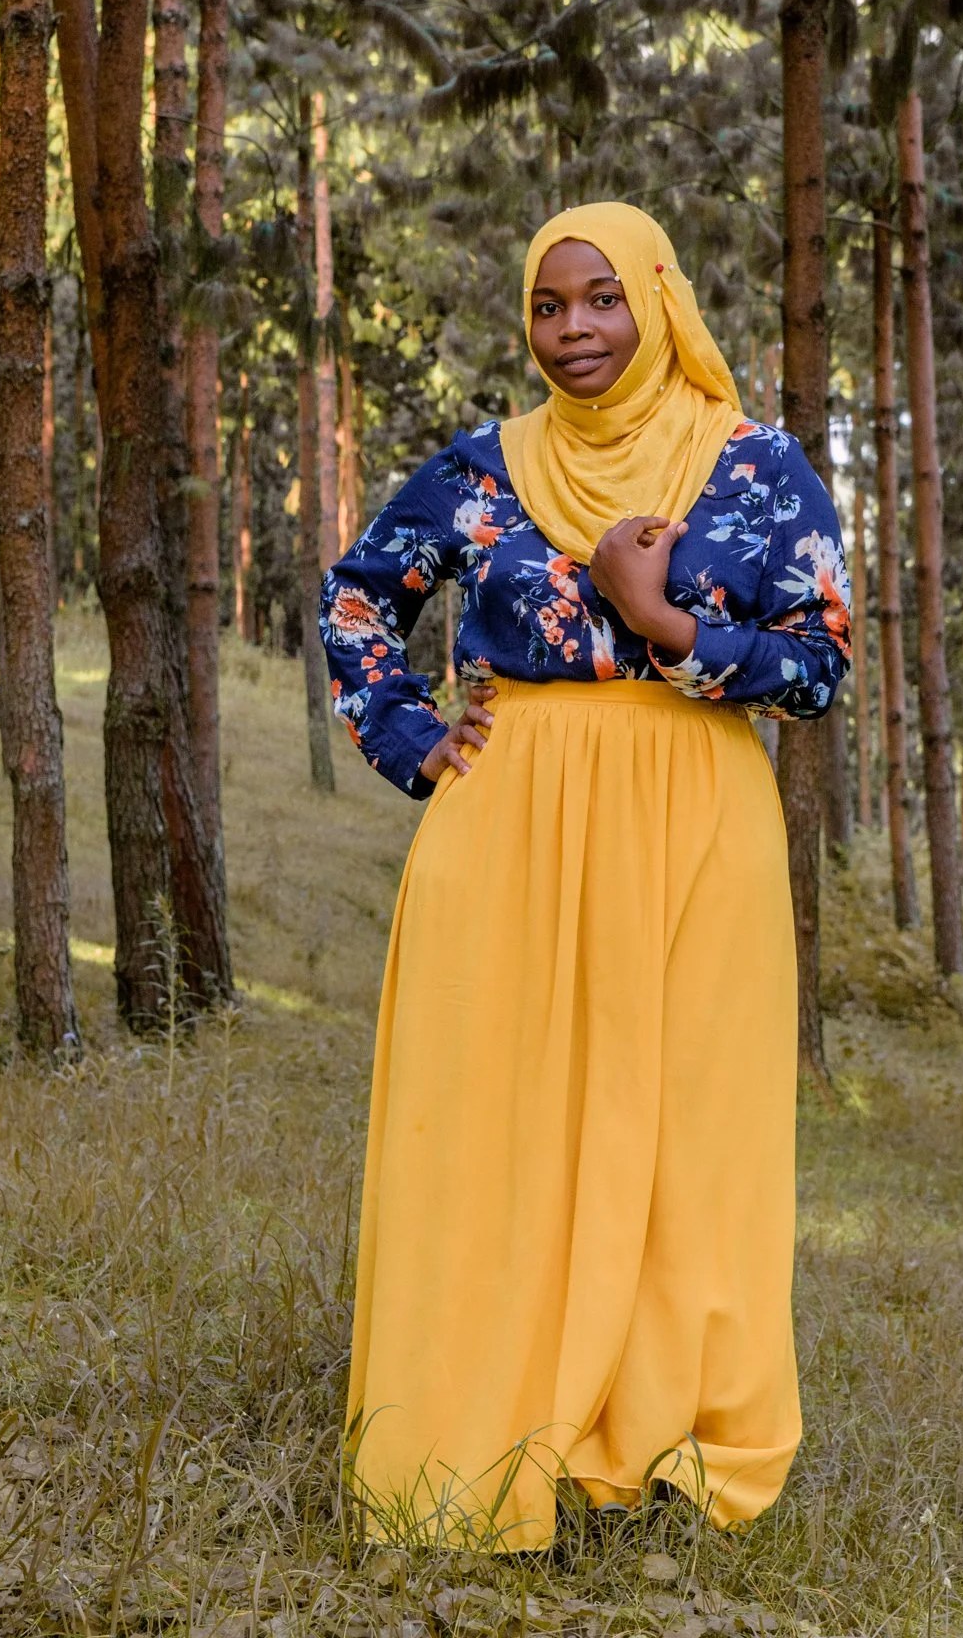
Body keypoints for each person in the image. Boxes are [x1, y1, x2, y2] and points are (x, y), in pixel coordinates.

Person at [320, 201, 851, 1550]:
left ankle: (656, 1445)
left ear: (659, 301)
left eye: (603, 298)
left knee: (689, 1138)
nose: (575, 331)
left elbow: (819, 667)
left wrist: (663, 621)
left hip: (697, 824)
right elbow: (358, 599)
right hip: (510, 823)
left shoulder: (755, 466)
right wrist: (414, 740)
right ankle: (489, 1424)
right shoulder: (483, 468)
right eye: (549, 306)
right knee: (499, 1121)